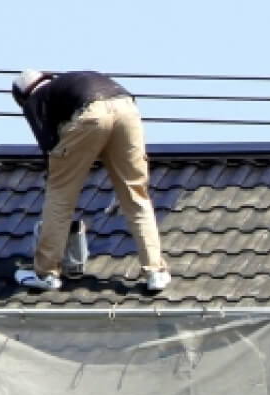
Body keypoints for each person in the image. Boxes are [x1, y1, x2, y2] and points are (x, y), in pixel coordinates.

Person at [11, 69, 171, 293]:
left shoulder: (36, 100)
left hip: (91, 113)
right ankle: (156, 272)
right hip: (127, 108)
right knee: (136, 194)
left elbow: (50, 147)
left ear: (22, 97)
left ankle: (45, 274)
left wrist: (59, 175)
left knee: (59, 196)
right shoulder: (65, 84)